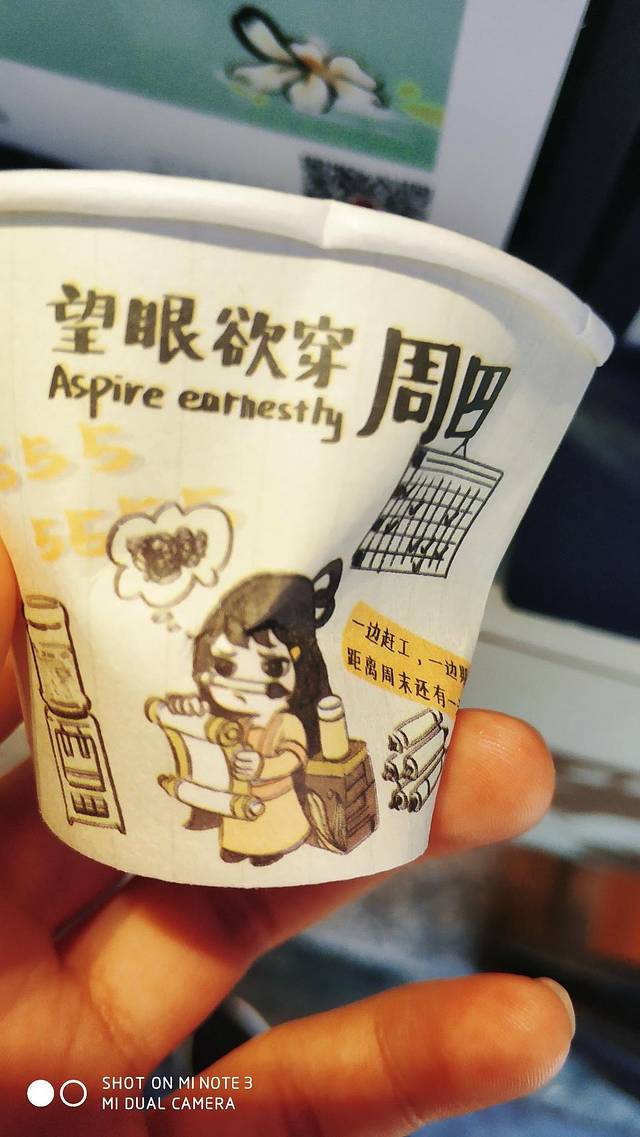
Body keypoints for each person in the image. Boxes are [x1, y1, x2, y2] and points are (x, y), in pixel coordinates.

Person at [0, 540, 575, 1133]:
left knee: (244, 838)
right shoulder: (229, 719)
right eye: (225, 668)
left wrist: (261, 770)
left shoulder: (285, 726)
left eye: (271, 669)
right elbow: (204, 734)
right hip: (227, 832)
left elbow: (291, 760)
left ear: (297, 673)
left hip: (275, 816)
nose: (242, 684)